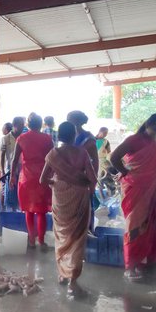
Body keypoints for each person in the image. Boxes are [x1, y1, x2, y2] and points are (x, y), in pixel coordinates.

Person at [40, 122, 97, 294]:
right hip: (79, 196)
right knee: (77, 237)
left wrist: (56, 182)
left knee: (61, 234)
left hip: (60, 195)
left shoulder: (54, 154)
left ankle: (62, 274)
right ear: (74, 135)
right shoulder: (82, 152)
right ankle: (73, 279)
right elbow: (92, 178)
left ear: (60, 136)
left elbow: (43, 180)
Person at [110, 114, 156, 282]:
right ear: (148, 124)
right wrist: (126, 171)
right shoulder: (133, 140)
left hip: (152, 187)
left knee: (149, 224)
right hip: (134, 186)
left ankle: (147, 259)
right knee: (134, 225)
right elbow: (114, 157)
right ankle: (131, 265)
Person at [10, 113, 53, 248]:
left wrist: (12, 176)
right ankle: (41, 240)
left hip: (26, 178)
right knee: (41, 211)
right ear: (41, 125)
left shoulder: (22, 138)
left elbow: (14, 159)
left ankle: (32, 240)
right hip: (42, 177)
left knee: (28, 210)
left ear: (28, 124)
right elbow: (53, 158)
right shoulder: (47, 138)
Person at [1, 116, 25, 211]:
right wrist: (2, 171)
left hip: (22, 169)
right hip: (9, 169)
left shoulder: (24, 138)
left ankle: (19, 215)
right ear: (14, 126)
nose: (23, 127)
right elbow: (2, 156)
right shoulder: (6, 139)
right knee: (10, 193)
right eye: (21, 125)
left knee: (20, 193)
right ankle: (11, 214)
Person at [67, 110, 99, 175]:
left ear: (77, 121)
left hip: (82, 174)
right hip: (69, 174)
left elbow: (95, 160)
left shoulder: (88, 138)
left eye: (69, 120)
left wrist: (93, 181)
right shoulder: (70, 135)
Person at [0, 122, 13, 210]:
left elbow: (2, 156)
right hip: (6, 168)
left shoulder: (5, 139)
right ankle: (5, 208)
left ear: (6, 130)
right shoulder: (6, 139)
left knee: (4, 189)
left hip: (7, 168)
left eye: (3, 128)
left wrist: (2, 170)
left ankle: (5, 208)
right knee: (4, 189)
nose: (2, 130)